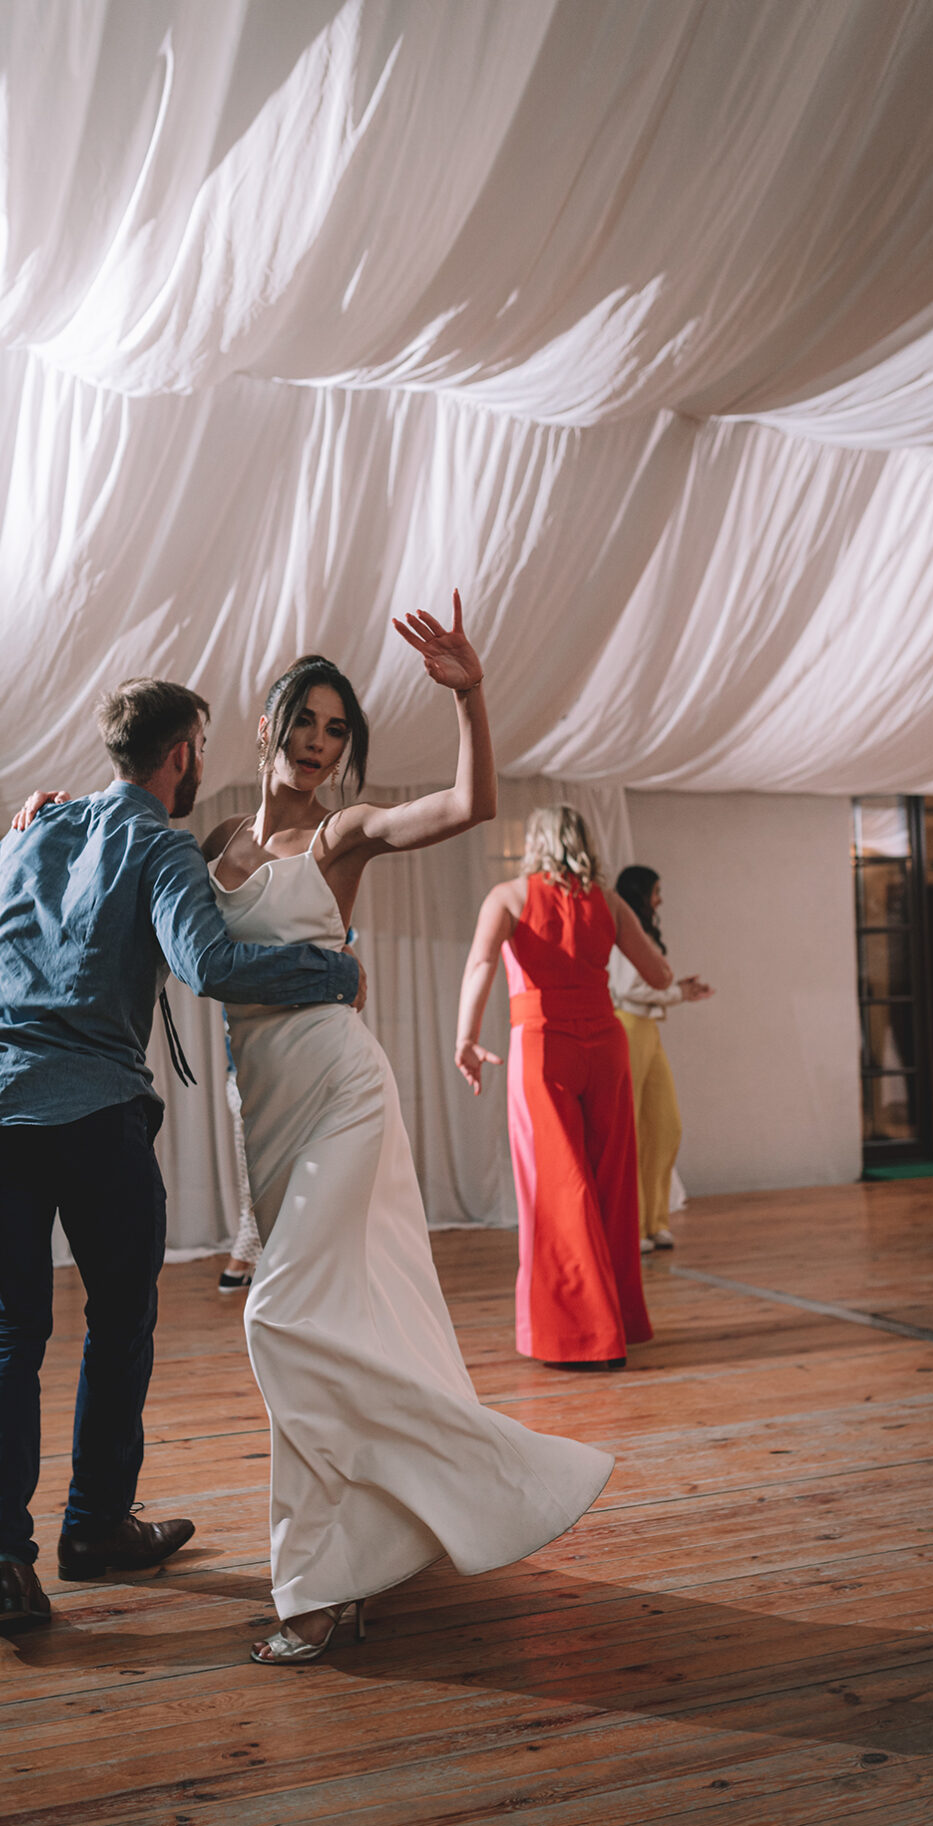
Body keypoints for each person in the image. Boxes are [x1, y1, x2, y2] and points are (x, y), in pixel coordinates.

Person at [202, 594, 616, 1664]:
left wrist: (471, 697)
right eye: (305, 719)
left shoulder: (338, 835)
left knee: (278, 1320)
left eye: (338, 730)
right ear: (267, 723)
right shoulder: (214, 842)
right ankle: (331, 1577)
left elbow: (472, 806)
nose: (319, 742)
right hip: (264, 1109)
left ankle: (489, 1478)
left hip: (343, 1091)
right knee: (325, 1333)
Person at [0, 678, 365, 1633]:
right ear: (181, 755)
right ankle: (93, 1529)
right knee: (119, 1319)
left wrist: (34, 885)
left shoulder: (42, 823)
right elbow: (212, 967)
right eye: (200, 748)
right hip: (91, 1115)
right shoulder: (160, 845)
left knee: (11, 1330)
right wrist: (332, 970)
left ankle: (7, 1557)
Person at [455, 807, 673, 1368]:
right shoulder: (610, 902)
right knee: (610, 1184)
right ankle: (618, 1321)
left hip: (544, 1045)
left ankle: (584, 1338)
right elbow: (658, 975)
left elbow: (480, 964)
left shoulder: (507, 897)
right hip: (606, 1046)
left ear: (534, 842)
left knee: (557, 1188)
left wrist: (466, 1039)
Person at [609, 866, 714, 1254]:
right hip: (627, 1027)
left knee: (664, 1126)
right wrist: (677, 993)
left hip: (647, 1029)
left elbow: (644, 986)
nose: (660, 899)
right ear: (640, 894)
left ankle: (654, 1222)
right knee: (633, 1130)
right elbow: (627, 987)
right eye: (655, 892)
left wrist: (677, 991)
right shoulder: (623, 931)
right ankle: (635, 1226)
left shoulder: (640, 932)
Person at [218, 1015, 262, 1295]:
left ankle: (246, 1257)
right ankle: (247, 1255)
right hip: (251, 1079)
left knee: (259, 1180)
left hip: (247, 1078)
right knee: (257, 1181)